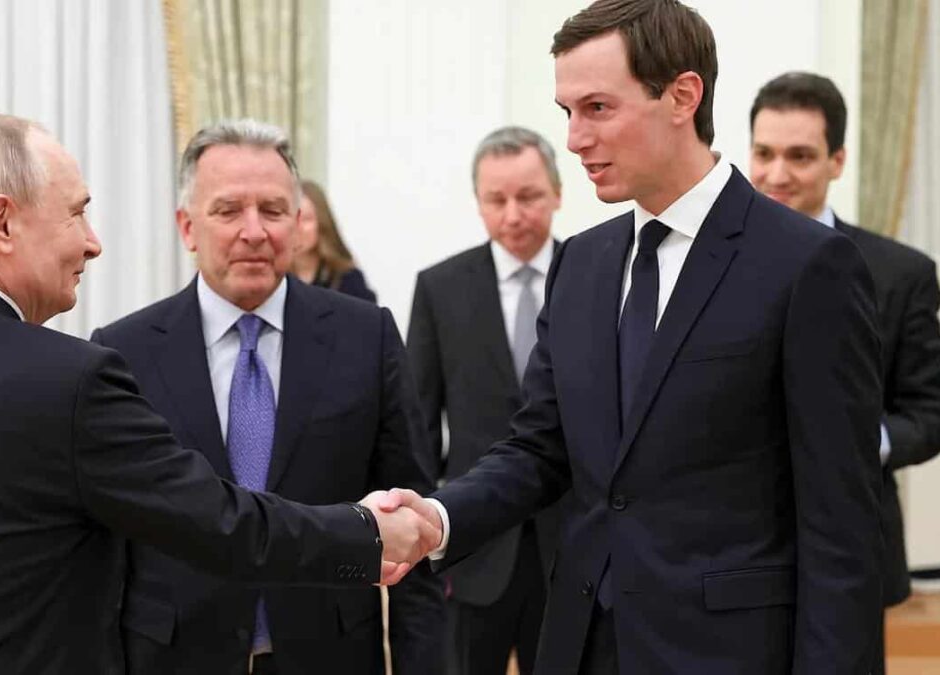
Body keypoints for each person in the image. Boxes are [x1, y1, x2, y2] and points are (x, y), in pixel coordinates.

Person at [0, 113, 440, 675]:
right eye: (76, 214)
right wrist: (367, 532)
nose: (94, 243)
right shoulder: (71, 379)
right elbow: (219, 520)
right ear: (2, 223)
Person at [382, 1, 885, 673]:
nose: (574, 139)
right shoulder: (581, 263)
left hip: (727, 654)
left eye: (597, 108)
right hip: (580, 643)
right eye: (567, 112)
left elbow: (840, 527)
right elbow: (540, 447)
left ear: (682, 96)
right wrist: (438, 518)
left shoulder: (807, 265)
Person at [91, 118, 444, 675]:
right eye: (228, 210)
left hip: (329, 656)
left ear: (299, 224)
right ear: (187, 226)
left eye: (273, 210)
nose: (253, 231)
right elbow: (106, 548)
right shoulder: (123, 353)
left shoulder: (365, 337)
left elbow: (412, 524)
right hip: (173, 657)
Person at [749, 71, 940, 674]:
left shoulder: (901, 274)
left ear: (837, 160)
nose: (777, 174)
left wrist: (865, 440)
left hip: (852, 552)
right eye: (764, 153)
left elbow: (930, 412)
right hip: (726, 557)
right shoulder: (702, 264)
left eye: (800, 156)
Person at [406, 126, 563, 675]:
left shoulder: (594, 274)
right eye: (497, 200)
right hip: (473, 545)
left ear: (557, 193)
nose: (513, 215)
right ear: (478, 202)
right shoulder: (441, 288)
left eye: (529, 196)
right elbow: (419, 425)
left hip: (570, 543)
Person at [291, 180, 377, 302]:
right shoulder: (274, 279)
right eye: (292, 218)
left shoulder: (348, 279)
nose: (298, 227)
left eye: (306, 219)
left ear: (322, 223)